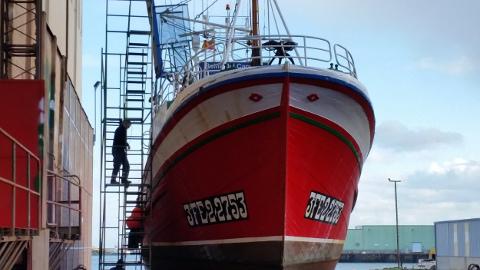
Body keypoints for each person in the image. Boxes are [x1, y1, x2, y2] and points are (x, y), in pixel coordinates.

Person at [111, 119, 132, 185]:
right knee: (118, 165)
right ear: (125, 123)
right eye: (128, 126)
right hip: (118, 150)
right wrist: (126, 145)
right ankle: (114, 180)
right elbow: (121, 140)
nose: (128, 127)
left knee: (125, 165)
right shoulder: (121, 130)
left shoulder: (121, 129)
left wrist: (126, 144)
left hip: (119, 150)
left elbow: (122, 140)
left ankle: (123, 179)